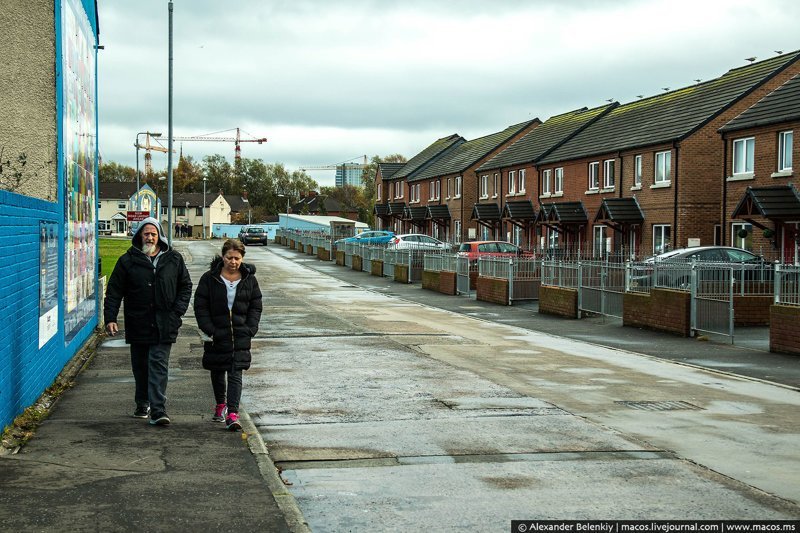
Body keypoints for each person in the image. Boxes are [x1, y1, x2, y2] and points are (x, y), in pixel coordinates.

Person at [104, 217, 193, 426]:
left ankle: (158, 410)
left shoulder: (173, 259)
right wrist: (110, 318)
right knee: (141, 365)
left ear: (159, 235)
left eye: (153, 233)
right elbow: (115, 291)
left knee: (159, 364)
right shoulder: (128, 261)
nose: (150, 237)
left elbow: (185, 286)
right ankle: (142, 402)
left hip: (165, 322)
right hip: (139, 322)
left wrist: (177, 312)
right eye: (146, 233)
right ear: (139, 236)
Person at [193, 239, 262, 431]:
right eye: (229, 257)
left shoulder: (249, 279)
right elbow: (200, 305)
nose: (233, 262)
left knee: (235, 372)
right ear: (223, 257)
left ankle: (233, 413)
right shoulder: (210, 278)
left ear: (242, 258)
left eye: (237, 258)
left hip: (240, 334)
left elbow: (256, 305)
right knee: (217, 369)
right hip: (217, 333)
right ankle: (220, 404)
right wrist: (209, 329)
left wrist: (250, 328)